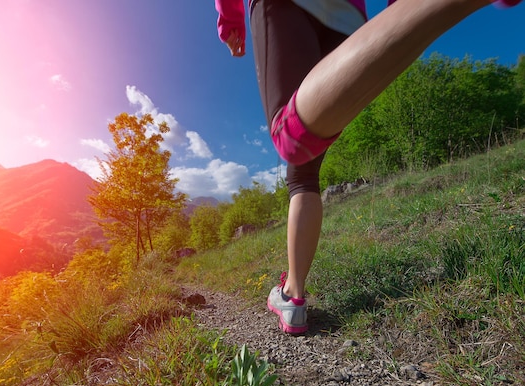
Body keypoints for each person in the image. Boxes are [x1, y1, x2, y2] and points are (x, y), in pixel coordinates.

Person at [215, 0, 522, 334]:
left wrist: (230, 20)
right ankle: (293, 293)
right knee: (302, 170)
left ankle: (294, 292)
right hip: (349, 22)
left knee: (291, 136)